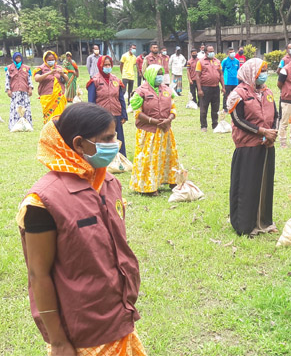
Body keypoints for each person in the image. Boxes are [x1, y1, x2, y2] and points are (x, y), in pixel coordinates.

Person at [17, 103, 145, 356]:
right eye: (107, 138)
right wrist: (58, 342)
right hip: (82, 334)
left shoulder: (108, 182)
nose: (115, 143)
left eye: (115, 136)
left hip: (119, 318)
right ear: (79, 145)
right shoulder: (42, 202)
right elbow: (38, 274)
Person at [226, 58, 279, 236]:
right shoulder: (238, 94)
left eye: (265, 71)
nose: (264, 75)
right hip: (247, 146)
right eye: (260, 71)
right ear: (251, 73)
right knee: (247, 185)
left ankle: (264, 221)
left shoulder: (268, 92)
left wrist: (272, 133)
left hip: (266, 145)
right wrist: (261, 131)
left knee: (264, 183)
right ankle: (245, 224)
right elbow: (238, 120)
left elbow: (276, 115)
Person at [128, 65, 178, 195]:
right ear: (150, 75)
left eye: (161, 74)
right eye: (157, 74)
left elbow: (173, 108)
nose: (160, 77)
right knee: (148, 158)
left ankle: (171, 180)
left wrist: (169, 119)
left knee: (168, 156)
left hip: (165, 130)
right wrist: (154, 121)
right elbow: (137, 113)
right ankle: (148, 187)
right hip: (148, 132)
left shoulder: (167, 89)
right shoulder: (140, 91)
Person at [87, 55, 128, 157]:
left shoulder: (116, 80)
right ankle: (104, 158)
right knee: (103, 137)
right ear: (100, 66)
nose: (107, 66)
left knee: (119, 137)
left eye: (109, 64)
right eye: (105, 65)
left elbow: (121, 98)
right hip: (102, 115)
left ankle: (121, 157)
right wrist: (93, 117)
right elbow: (91, 102)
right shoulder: (95, 81)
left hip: (116, 113)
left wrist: (124, 115)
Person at [34, 51, 68, 124]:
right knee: (49, 117)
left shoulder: (59, 68)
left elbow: (66, 79)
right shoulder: (40, 68)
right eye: (49, 60)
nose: (51, 61)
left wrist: (62, 73)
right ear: (45, 60)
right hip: (47, 96)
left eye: (52, 60)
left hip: (59, 96)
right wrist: (48, 73)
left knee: (60, 116)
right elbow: (37, 79)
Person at [196, 46, 224, 132]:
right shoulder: (200, 62)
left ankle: (215, 125)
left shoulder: (217, 61)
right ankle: (203, 126)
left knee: (215, 108)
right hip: (205, 88)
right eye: (210, 51)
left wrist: (223, 86)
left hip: (215, 88)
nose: (212, 52)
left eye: (213, 51)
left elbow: (221, 75)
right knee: (204, 108)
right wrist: (199, 89)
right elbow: (197, 76)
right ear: (206, 52)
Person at [6, 52, 33, 130]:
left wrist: (30, 88)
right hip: (15, 92)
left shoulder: (26, 68)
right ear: (14, 59)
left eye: (19, 58)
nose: (18, 59)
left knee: (26, 108)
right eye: (16, 58)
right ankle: (15, 125)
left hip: (24, 91)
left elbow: (29, 79)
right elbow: (7, 80)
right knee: (15, 108)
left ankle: (27, 125)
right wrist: (8, 90)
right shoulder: (9, 68)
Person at [221, 47, 240, 112]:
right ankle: (225, 107)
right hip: (227, 81)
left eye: (233, 52)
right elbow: (221, 71)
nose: (232, 53)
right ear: (228, 53)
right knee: (226, 94)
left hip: (235, 81)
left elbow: (238, 70)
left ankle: (234, 107)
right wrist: (222, 81)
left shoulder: (237, 61)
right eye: (230, 52)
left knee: (235, 95)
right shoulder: (225, 61)